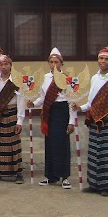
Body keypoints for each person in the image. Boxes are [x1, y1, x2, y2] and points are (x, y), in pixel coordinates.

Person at [74, 47, 108, 197]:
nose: (103, 61)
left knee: (107, 153)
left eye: (107, 59)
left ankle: (106, 186)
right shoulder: (94, 78)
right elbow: (91, 101)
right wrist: (80, 107)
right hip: (95, 119)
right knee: (94, 152)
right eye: (101, 58)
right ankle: (94, 184)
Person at [29, 47, 76, 189]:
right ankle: (51, 176)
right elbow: (43, 97)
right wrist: (34, 103)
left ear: (61, 63)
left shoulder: (67, 79)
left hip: (62, 112)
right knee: (50, 144)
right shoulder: (45, 78)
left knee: (62, 144)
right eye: (51, 62)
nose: (54, 64)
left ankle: (64, 177)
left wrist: (71, 121)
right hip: (49, 111)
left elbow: (71, 101)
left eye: (57, 62)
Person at [0, 55, 25, 182]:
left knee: (13, 144)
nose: (4, 67)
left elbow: (21, 101)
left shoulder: (17, 81)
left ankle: (18, 174)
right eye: (1, 65)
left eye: (6, 64)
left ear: (11, 65)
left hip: (12, 115)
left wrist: (20, 120)